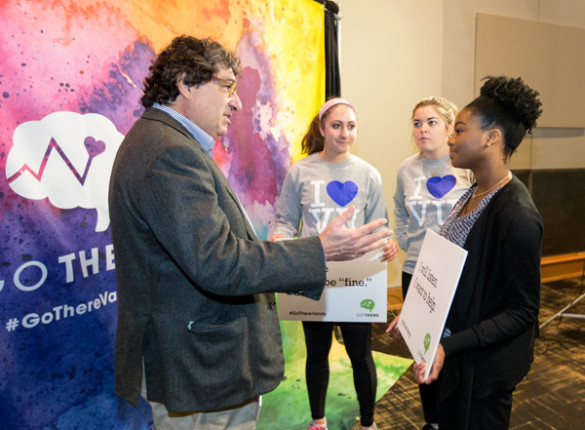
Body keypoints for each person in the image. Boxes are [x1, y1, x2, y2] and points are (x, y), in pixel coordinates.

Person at [108, 36, 392, 430]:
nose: (237, 102)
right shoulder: (171, 154)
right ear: (186, 83)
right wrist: (319, 250)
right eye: (227, 86)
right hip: (201, 368)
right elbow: (219, 262)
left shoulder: (163, 142)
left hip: (197, 361)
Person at [389, 75, 543, 429]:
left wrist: (451, 346)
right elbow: (449, 275)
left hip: (484, 371)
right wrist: (416, 316)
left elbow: (522, 312)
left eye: (459, 129)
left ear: (492, 137)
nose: (451, 139)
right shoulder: (470, 193)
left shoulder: (517, 215)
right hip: (458, 354)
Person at [270, 98, 398, 430]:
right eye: (337, 125)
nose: (345, 133)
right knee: (317, 355)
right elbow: (284, 222)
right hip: (313, 275)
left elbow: (380, 226)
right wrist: (280, 241)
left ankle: (368, 423)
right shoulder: (300, 170)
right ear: (322, 129)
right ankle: (318, 420)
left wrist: (388, 241)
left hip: (357, 277)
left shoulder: (368, 173)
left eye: (351, 126)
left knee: (360, 355)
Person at [393, 96, 473, 430]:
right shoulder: (406, 169)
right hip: (416, 272)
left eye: (431, 122)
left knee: (455, 346)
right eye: (417, 123)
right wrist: (406, 242)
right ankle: (433, 421)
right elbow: (399, 210)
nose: (422, 129)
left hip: (458, 274)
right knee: (423, 350)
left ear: (449, 127)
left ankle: (457, 416)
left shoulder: (466, 167)